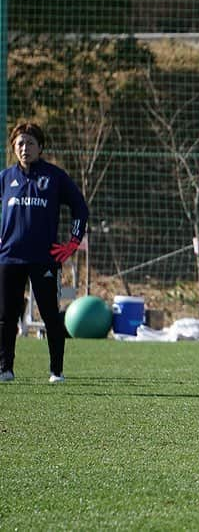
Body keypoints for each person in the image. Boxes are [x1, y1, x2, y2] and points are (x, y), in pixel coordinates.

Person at [0, 122, 89, 384]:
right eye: (20, 143)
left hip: (44, 259)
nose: (24, 148)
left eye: (30, 143)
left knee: (50, 315)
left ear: (41, 147)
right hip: (9, 258)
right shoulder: (5, 178)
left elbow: (80, 208)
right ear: (14, 148)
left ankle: (56, 371)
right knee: (5, 317)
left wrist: (72, 243)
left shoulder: (54, 177)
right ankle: (5, 369)